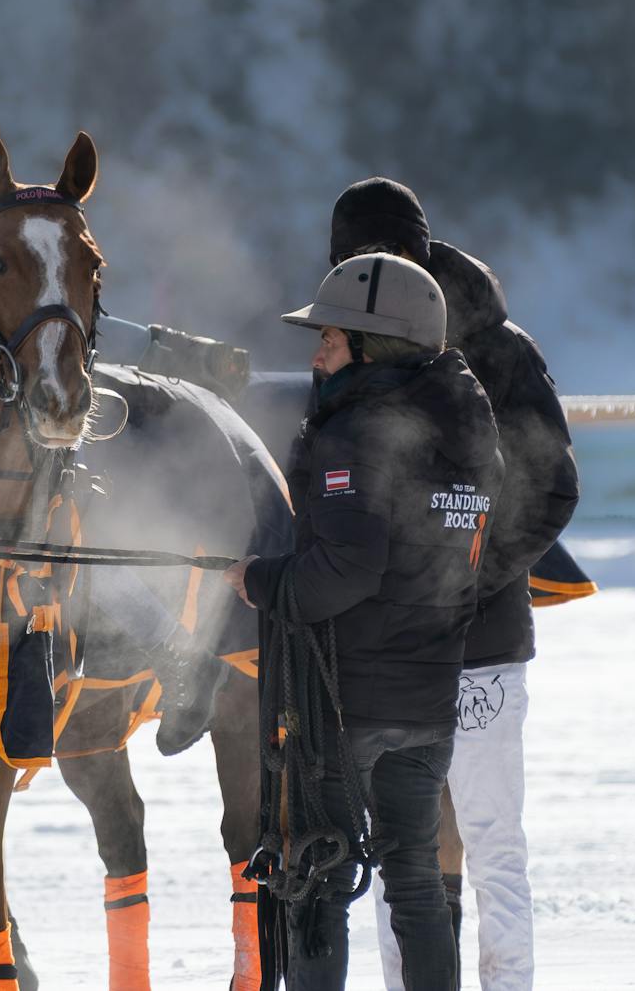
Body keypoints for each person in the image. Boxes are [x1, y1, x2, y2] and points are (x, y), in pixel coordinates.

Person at [224, 252, 503, 989]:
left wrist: (259, 581)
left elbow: (344, 573)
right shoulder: (473, 440)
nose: (316, 355)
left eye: (331, 340)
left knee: (316, 875)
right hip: (429, 701)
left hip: (347, 706)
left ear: (375, 347)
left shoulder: (357, 435)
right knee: (415, 878)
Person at [328, 177, 580, 991]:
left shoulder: (500, 348)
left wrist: (460, 576)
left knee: (488, 835)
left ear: (419, 254)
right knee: (403, 846)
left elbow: (550, 488)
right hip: (386, 644)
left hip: (480, 634)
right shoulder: (351, 344)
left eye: (382, 259)